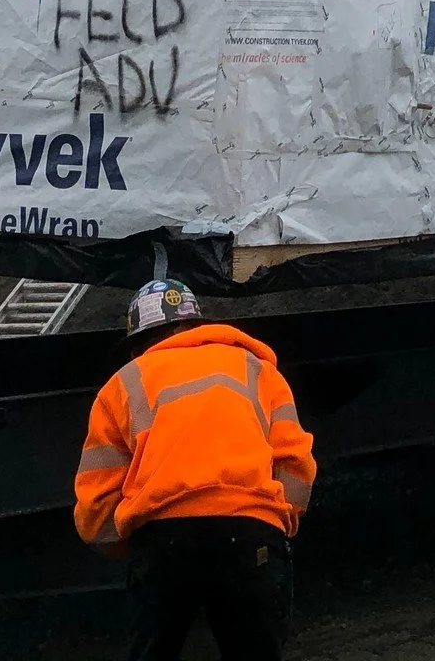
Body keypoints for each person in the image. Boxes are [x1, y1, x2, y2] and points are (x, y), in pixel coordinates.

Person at [74, 277, 316, 661]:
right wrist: (276, 520)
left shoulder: (120, 385)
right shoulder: (257, 369)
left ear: (138, 340)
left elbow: (96, 498)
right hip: (251, 534)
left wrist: (128, 546)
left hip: (163, 540)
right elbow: (295, 461)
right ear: (198, 325)